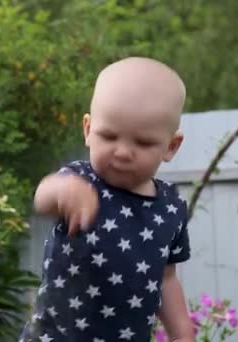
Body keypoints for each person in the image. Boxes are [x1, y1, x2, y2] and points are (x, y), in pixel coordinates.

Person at [19, 57, 195, 342]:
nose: (123, 152)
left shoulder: (171, 208)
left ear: (171, 146)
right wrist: (63, 191)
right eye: (109, 136)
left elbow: (166, 278)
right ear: (88, 130)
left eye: (143, 143)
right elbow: (43, 197)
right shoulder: (78, 179)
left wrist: (182, 331)